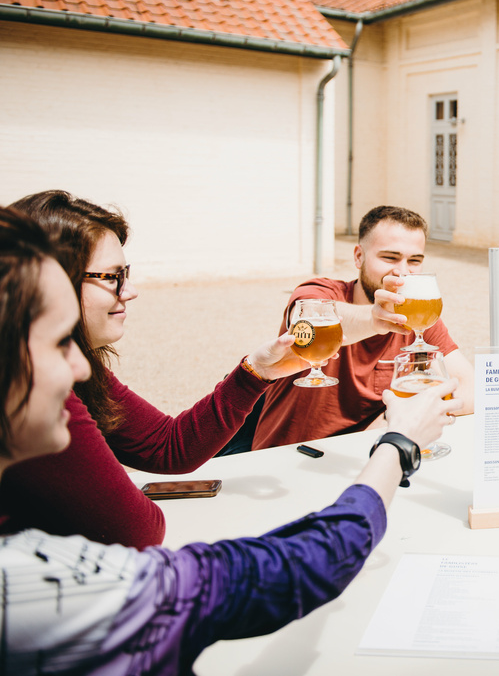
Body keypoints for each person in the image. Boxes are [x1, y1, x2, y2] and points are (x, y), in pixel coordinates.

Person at [0, 205, 458, 673]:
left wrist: (254, 372)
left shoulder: (69, 378)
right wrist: (397, 444)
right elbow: (148, 536)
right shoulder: (25, 574)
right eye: (58, 341)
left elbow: (167, 447)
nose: (78, 366)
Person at [0, 190, 318, 549]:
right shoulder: (29, 385)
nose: (130, 291)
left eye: (127, 273)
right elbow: (134, 530)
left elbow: (169, 446)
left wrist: (255, 372)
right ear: (47, 280)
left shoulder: (64, 363)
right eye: (112, 277)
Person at [252, 205, 474, 450]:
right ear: (359, 256)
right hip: (287, 458)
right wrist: (375, 318)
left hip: (367, 457)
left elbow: (471, 389)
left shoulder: (417, 316)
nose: (402, 272)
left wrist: (394, 418)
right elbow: (312, 318)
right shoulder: (318, 293)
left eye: (414, 260)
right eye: (389, 257)